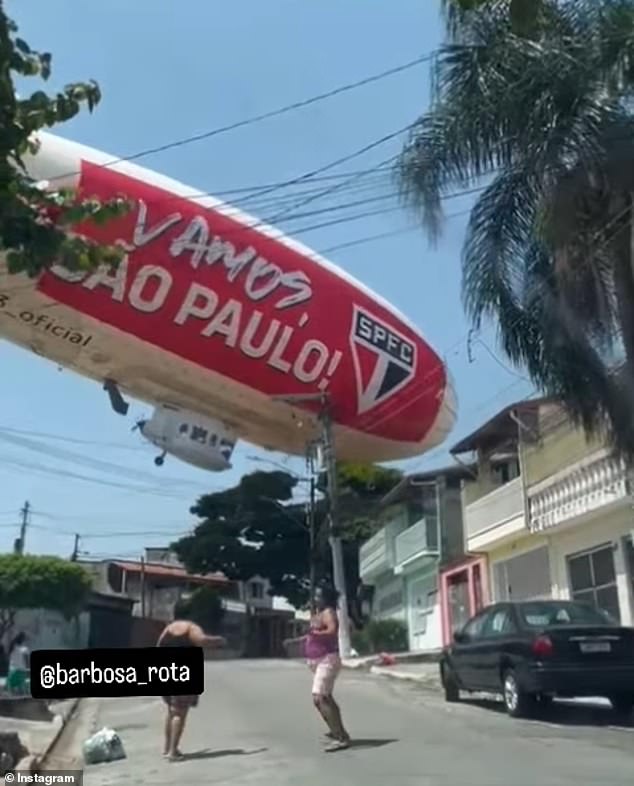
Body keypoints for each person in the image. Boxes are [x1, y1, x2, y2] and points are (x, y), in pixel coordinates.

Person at [157, 611, 226, 761]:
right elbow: (202, 641)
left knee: (171, 712)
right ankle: (173, 752)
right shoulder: (191, 628)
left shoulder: (169, 628)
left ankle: (167, 748)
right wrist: (218, 640)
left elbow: (159, 645)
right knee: (180, 713)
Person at [304, 585, 351, 752]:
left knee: (320, 698)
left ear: (326, 598)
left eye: (319, 596)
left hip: (327, 660)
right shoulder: (318, 613)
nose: (316, 598)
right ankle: (336, 730)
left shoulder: (329, 612)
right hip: (318, 661)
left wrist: (315, 634)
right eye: (315, 596)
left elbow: (332, 631)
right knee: (326, 698)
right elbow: (314, 634)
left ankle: (341, 738)